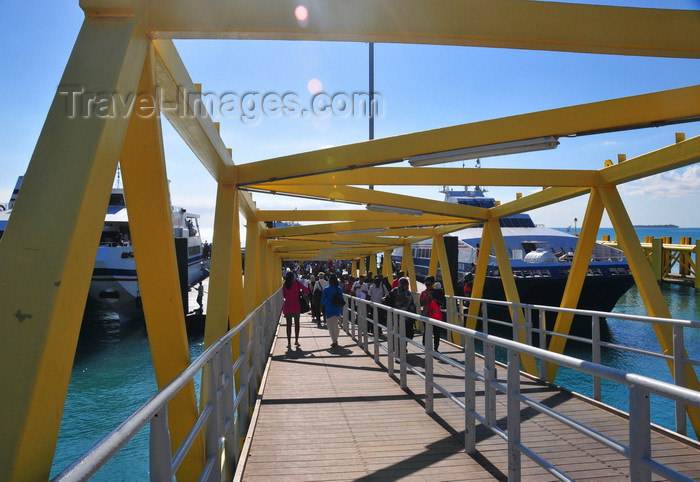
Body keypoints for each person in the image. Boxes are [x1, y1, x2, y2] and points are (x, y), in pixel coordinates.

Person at [281, 271, 309, 349]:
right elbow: (307, 290)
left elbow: (284, 295)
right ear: (293, 277)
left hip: (287, 306)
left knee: (288, 325)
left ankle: (289, 342)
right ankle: (296, 341)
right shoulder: (297, 283)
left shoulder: (284, 285)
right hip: (296, 306)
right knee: (297, 324)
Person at [321, 274, 344, 348]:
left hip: (329, 308)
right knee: (335, 324)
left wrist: (325, 306)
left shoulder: (326, 289)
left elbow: (323, 301)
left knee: (330, 326)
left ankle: (334, 340)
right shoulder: (339, 289)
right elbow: (342, 299)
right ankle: (336, 338)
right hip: (337, 308)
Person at [422, 282, 445, 352]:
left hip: (429, 315)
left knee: (427, 331)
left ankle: (425, 345)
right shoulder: (441, 294)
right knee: (437, 332)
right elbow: (443, 303)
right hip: (437, 315)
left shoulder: (431, 293)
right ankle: (436, 347)